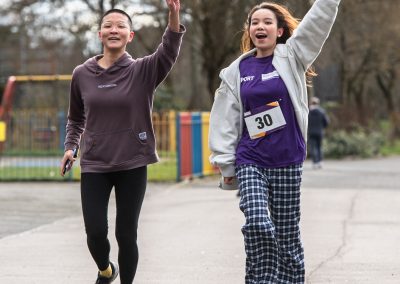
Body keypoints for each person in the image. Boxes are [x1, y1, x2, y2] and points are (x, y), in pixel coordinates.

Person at [209, 1, 340, 283]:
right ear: (249, 30)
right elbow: (224, 118)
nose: (260, 27)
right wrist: (226, 165)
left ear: (280, 31)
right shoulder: (237, 71)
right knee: (258, 223)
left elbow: (317, 24)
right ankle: (263, 279)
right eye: (255, 22)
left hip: (287, 159)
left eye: (267, 22)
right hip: (251, 159)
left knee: (286, 234)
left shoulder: (291, 57)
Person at [59, 1, 184, 283]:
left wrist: (174, 15)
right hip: (95, 163)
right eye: (107, 26)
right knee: (95, 232)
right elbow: (76, 118)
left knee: (126, 233)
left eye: (120, 26)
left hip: (132, 162)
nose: (113, 29)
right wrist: (70, 147)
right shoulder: (81, 74)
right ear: (100, 34)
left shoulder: (143, 71)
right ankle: (106, 270)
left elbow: (168, 50)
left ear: (130, 36)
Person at [308, 96, 329, 169]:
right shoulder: (322, 111)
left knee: (313, 148)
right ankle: (320, 162)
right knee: (319, 147)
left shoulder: (308, 112)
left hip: (311, 132)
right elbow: (326, 122)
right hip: (320, 132)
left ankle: (315, 162)